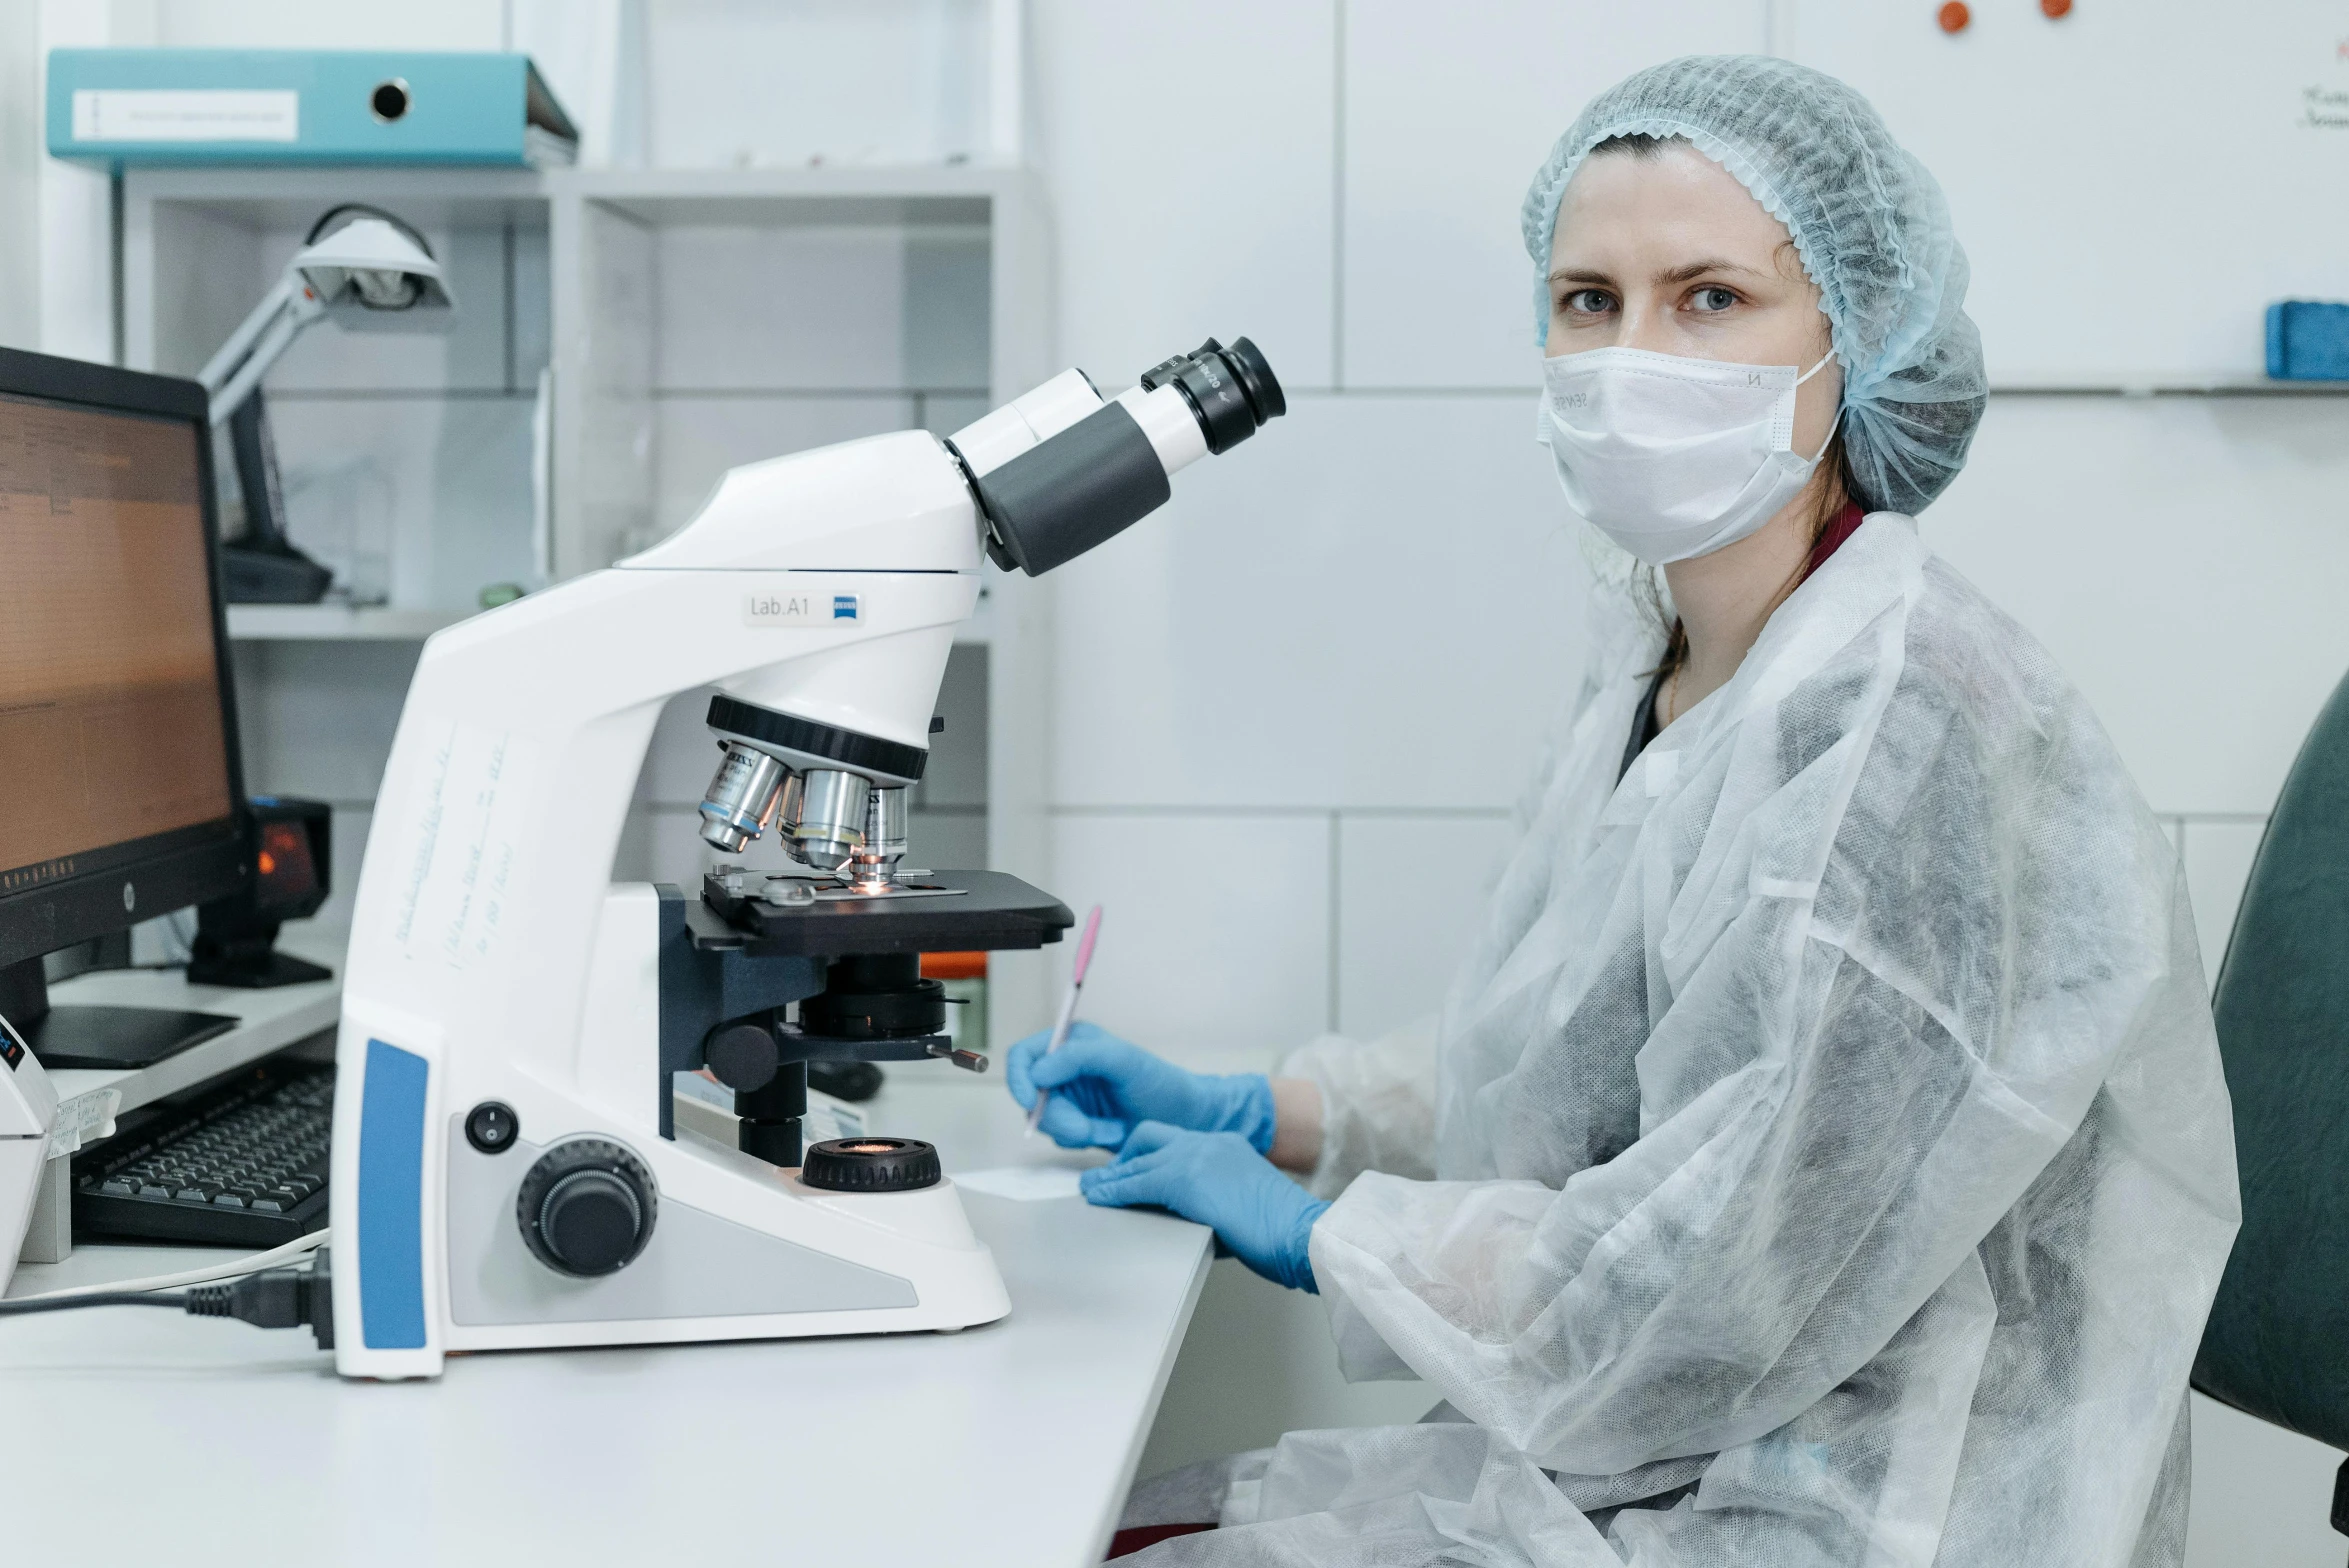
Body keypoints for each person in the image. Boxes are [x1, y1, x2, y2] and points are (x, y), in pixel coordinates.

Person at [1009, 54, 2239, 1566]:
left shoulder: (1903, 733)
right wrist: (1285, 1119)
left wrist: (1331, 1237)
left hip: (1856, 1510)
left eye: (1709, 298)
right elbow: (1593, 1077)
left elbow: (1707, 1282)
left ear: (1854, 339)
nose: (1631, 354)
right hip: (1650, 1462)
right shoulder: (1672, 662)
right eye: (1588, 301)